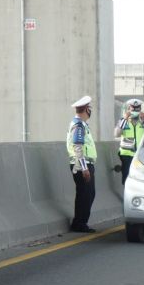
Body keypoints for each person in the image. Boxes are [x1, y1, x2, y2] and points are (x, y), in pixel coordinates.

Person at [66, 95, 97, 233]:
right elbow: (78, 147)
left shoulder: (81, 124)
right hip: (81, 165)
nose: (90, 111)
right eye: (89, 108)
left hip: (83, 164)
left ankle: (79, 222)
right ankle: (80, 223)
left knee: (86, 194)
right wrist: (84, 168)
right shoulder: (78, 125)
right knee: (86, 194)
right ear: (85, 109)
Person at [114, 98, 144, 184]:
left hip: (140, 155)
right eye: (132, 109)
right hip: (127, 155)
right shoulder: (123, 122)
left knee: (141, 177)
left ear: (140, 110)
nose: (135, 111)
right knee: (127, 177)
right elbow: (116, 134)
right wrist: (125, 119)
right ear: (129, 110)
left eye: (137, 109)